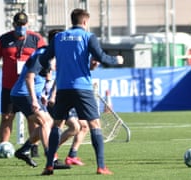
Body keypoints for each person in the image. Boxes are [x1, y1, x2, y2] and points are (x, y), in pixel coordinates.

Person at [39, 8, 124, 175]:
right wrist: (117, 60)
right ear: (85, 22)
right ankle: (101, 166)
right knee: (94, 124)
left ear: (72, 21)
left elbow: (43, 58)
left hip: (63, 88)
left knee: (57, 124)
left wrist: (62, 63)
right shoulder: (87, 36)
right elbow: (101, 57)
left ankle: (49, 165)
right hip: (82, 88)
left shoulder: (59, 37)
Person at [10, 29, 70, 169]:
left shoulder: (49, 54)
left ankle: (24, 150)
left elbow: (40, 78)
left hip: (30, 94)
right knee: (46, 122)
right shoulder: (42, 55)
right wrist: (34, 100)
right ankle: (52, 159)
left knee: (47, 122)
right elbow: (29, 77)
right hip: (22, 94)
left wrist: (41, 94)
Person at [0, 11, 45, 158]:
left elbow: (45, 59)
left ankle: (33, 148)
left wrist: (45, 84)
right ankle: (2, 148)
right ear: (13, 25)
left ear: (27, 24)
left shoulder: (36, 39)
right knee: (6, 117)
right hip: (9, 86)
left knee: (32, 118)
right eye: (18, 25)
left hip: (28, 87)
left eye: (23, 25)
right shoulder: (4, 39)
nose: (21, 27)